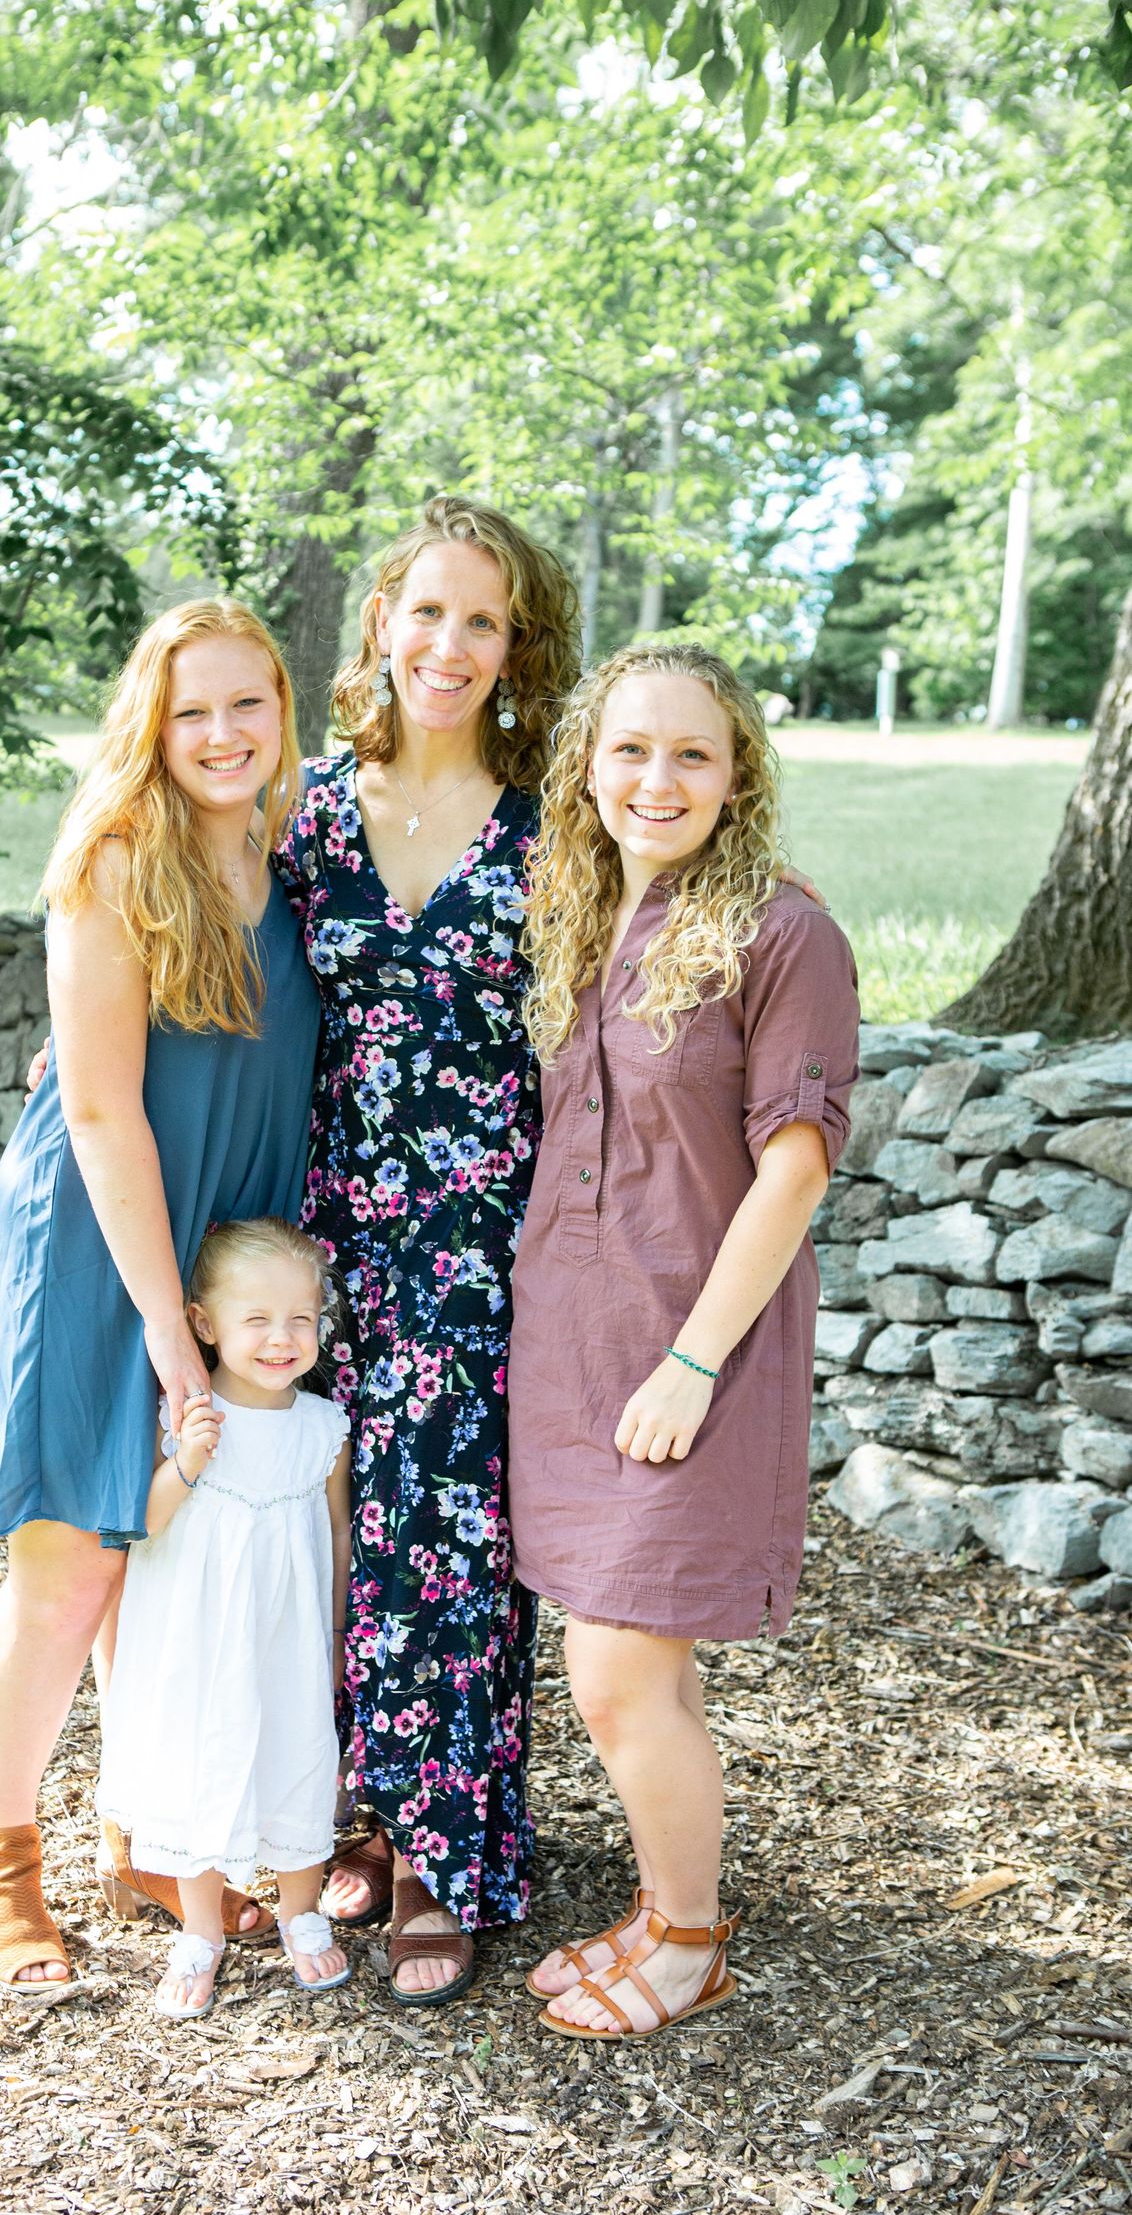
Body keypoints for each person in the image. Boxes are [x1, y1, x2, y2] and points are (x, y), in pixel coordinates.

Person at [0, 599, 320, 1995]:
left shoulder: (295, 848)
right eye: (189, 710)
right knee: (75, 1564)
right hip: (101, 1243)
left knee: (168, 1557)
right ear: (149, 726)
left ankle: (141, 1832)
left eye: (246, 703)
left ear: (284, 711)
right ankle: (5, 1860)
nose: (221, 733)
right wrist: (170, 1328)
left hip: (225, 1245)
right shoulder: (113, 859)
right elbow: (98, 1107)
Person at [508, 642, 860, 2040]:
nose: (658, 780)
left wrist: (695, 1363)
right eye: (631, 750)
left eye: (692, 754)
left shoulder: (785, 933)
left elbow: (795, 1171)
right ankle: (666, 1908)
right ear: (588, 767)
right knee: (638, 1667)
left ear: (737, 774)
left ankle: (692, 1945)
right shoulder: (580, 914)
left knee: (612, 1669)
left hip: (698, 1347)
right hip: (574, 1338)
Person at [275, 496, 582, 2002]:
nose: (449, 645)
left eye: (484, 621)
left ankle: (446, 1851)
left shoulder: (553, 826)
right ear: (382, 623)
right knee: (331, 1525)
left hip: (483, 1235)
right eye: (428, 611)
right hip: (329, 1227)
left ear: (517, 648)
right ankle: (351, 1810)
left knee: (456, 1538)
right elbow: (204, 950)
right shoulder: (308, 812)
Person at [97, 1218, 353, 2020]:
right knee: (200, 1767)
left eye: (301, 1319)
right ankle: (200, 1930)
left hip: (287, 1638)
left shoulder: (322, 1427)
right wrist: (186, 1461)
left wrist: (336, 1632)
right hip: (198, 1640)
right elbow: (143, 1525)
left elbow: (337, 1533)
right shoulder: (186, 1415)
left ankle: (301, 1913)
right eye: (258, 1319)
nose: (283, 1339)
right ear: (204, 1324)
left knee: (297, 1754)